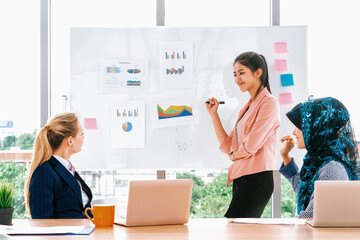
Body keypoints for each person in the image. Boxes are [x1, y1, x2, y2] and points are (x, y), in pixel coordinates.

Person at [206, 51, 280, 218]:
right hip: (242, 177)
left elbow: (250, 146)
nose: (236, 79)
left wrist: (234, 156)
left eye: (241, 73)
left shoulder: (269, 103)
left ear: (258, 72)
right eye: (234, 74)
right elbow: (228, 144)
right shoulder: (246, 108)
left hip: (257, 179)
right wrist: (214, 114)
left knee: (236, 230)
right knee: (238, 231)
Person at [279, 97, 359, 218]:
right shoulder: (320, 160)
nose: (294, 132)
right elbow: (304, 189)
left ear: (316, 129)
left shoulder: (331, 169)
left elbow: (310, 217)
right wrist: (285, 156)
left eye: (300, 126)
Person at [24, 112, 93, 219]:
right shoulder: (44, 172)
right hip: (68, 235)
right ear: (70, 140)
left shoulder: (67, 169)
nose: (83, 138)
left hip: (84, 232)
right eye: (82, 134)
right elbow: (42, 221)